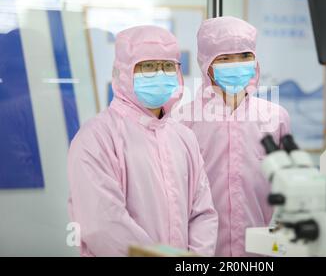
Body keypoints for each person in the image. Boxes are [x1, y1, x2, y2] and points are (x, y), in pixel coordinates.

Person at [67, 25, 218, 256]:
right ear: (124, 72)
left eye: (168, 66)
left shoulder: (184, 137)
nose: (160, 73)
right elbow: (102, 224)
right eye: (148, 66)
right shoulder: (96, 138)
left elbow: (203, 213)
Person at [175, 16, 291, 256]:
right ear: (206, 63)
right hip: (203, 252)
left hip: (261, 251)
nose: (236, 64)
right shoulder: (183, 121)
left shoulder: (275, 117)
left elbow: (288, 189)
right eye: (225, 58)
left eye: (244, 56)